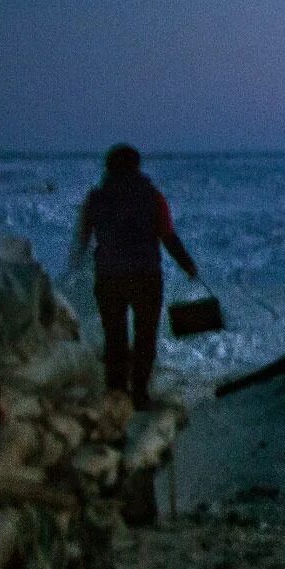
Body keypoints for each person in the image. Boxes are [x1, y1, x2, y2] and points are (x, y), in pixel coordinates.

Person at [73, 144, 200, 403]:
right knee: (145, 336)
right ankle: (140, 391)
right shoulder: (153, 197)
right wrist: (186, 263)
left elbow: (83, 239)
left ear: (108, 167)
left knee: (115, 337)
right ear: (137, 166)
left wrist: (76, 268)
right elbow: (167, 235)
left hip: (109, 278)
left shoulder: (95, 198)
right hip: (145, 277)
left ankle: (117, 392)